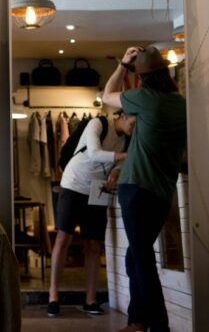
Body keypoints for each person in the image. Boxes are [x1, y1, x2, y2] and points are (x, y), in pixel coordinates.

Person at [103, 46, 187, 332]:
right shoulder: (182, 104)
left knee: (141, 259)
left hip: (135, 188)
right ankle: (137, 321)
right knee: (135, 256)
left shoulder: (142, 98)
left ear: (142, 78)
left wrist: (122, 65)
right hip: (162, 193)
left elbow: (106, 96)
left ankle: (159, 326)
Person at [47, 110, 135, 318]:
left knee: (94, 243)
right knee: (63, 237)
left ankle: (90, 299)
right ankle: (53, 296)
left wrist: (116, 170)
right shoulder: (97, 123)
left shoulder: (128, 139)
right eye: (134, 120)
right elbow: (94, 153)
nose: (135, 125)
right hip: (74, 182)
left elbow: (120, 164)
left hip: (99, 187)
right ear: (122, 115)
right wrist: (124, 156)